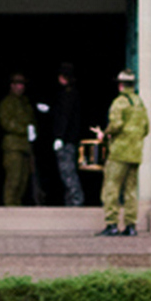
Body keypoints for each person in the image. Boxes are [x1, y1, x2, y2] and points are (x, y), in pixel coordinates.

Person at [93, 69, 148, 235]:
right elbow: (146, 128)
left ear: (121, 85)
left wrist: (105, 133)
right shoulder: (140, 103)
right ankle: (131, 226)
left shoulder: (119, 102)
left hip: (119, 153)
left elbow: (116, 125)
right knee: (131, 191)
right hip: (135, 153)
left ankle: (112, 224)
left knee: (111, 188)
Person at [49, 64, 84, 207]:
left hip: (67, 140)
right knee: (67, 172)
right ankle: (71, 201)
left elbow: (64, 117)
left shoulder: (68, 95)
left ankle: (76, 200)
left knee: (67, 172)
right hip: (70, 139)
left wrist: (59, 137)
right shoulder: (70, 94)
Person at [0, 72, 34, 206]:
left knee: (23, 180)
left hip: (25, 147)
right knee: (14, 179)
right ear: (12, 86)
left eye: (22, 84)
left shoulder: (25, 103)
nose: (21, 87)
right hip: (13, 147)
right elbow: (6, 122)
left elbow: (31, 120)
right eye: (18, 84)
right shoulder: (7, 103)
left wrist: (32, 130)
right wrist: (25, 130)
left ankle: (16, 207)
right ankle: (10, 208)